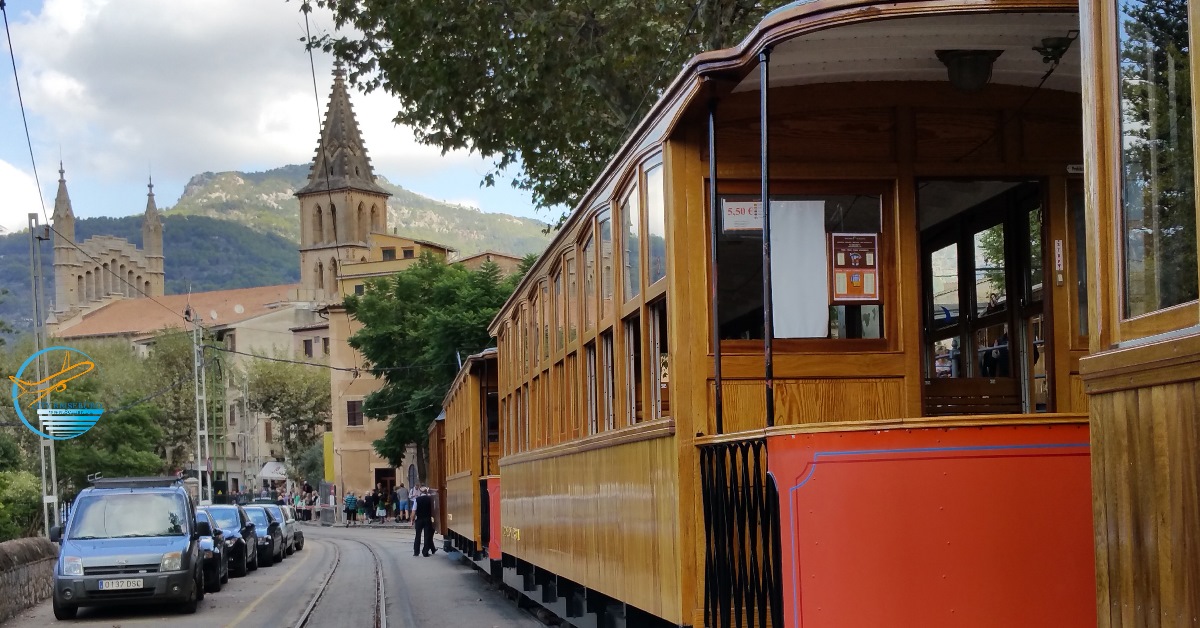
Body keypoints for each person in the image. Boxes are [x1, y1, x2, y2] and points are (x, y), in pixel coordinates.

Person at [413, 487, 438, 557]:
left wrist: (411, 520)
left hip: (419, 519)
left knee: (417, 536)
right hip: (427, 519)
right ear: (426, 492)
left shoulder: (416, 499)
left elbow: (413, 511)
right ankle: (425, 552)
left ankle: (416, 552)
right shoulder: (430, 499)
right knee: (427, 536)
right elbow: (434, 509)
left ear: (420, 492)